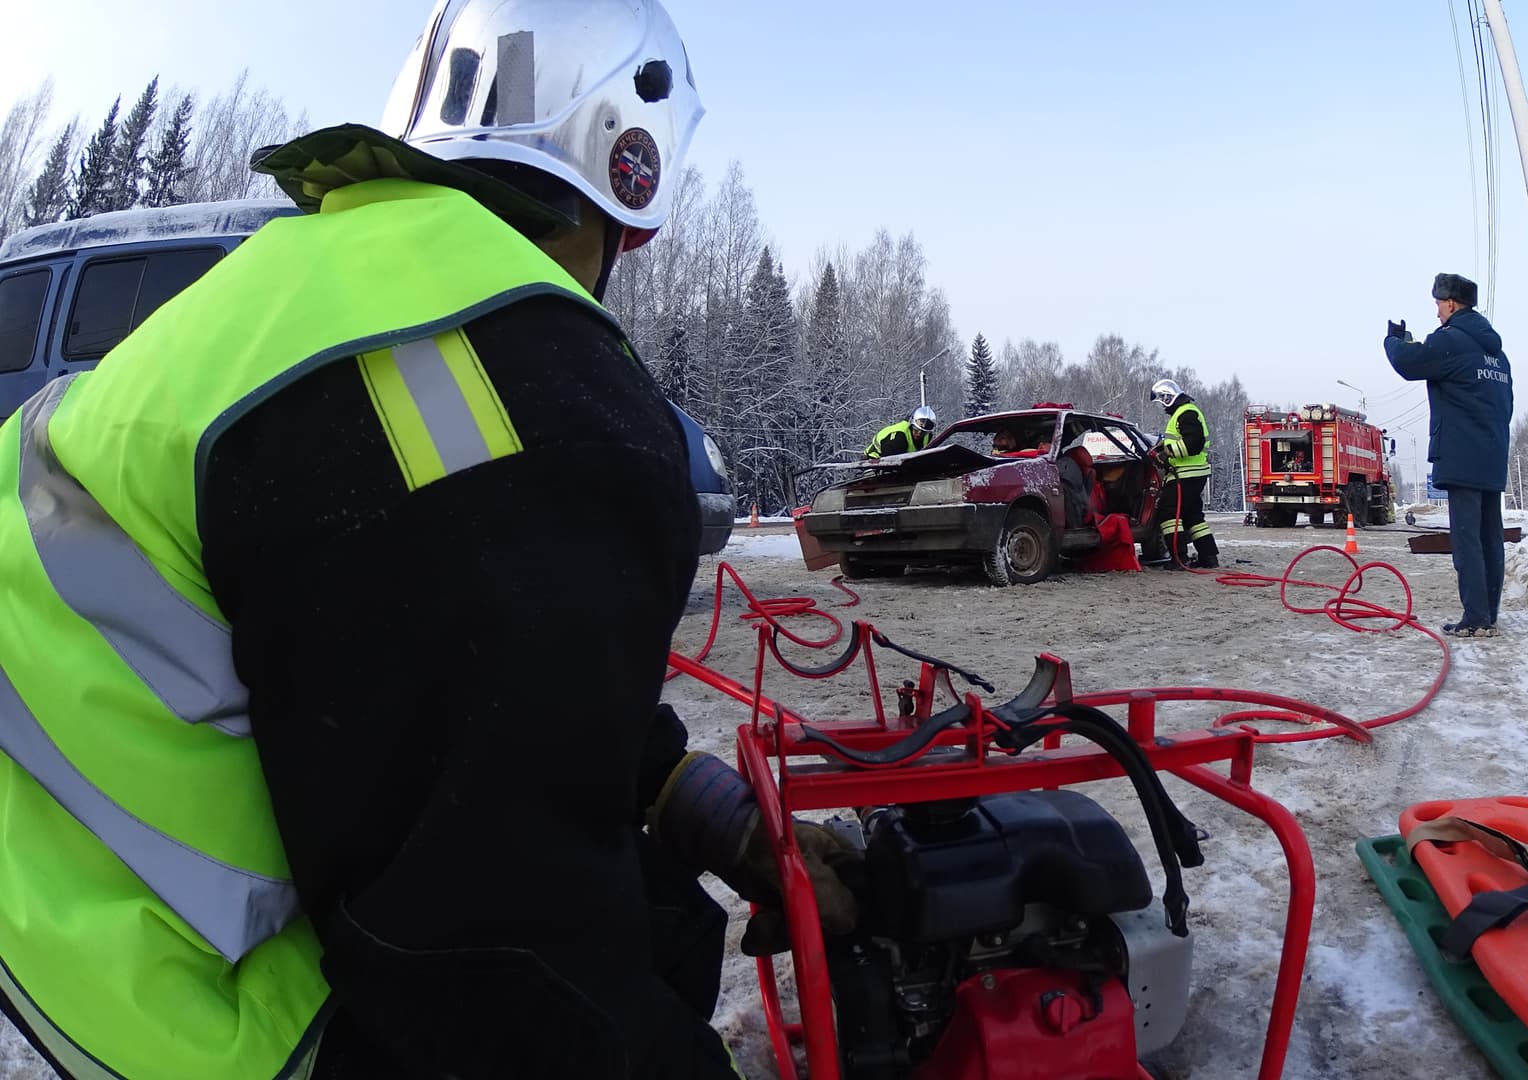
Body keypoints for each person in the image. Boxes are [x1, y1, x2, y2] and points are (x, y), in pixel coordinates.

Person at [0, 3, 856, 1078]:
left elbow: (467, 655)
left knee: (660, 923)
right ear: (625, 183)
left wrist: (691, 800)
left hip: (58, 860)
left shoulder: (302, 287)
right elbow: (490, 963)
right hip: (181, 986)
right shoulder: (551, 400)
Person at [1384, 272, 1514, 638]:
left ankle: (1474, 617)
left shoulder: (1452, 341)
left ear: (1452, 304)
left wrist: (1394, 340)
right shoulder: (1497, 355)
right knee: (1490, 536)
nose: (1437, 313)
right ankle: (1488, 613)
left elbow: (1410, 363)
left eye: (1439, 305)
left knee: (1467, 538)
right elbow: (1508, 405)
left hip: (1461, 455)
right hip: (1491, 455)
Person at [1149, 378, 1219, 568]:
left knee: (1168, 513)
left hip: (1186, 474)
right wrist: (1162, 446)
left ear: (1167, 397)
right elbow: (1185, 439)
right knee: (1192, 515)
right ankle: (1209, 556)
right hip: (1194, 474)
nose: (1163, 407)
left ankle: (1178, 558)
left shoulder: (1185, 413)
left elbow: (1193, 443)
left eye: (1162, 401)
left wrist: (1166, 453)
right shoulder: (1186, 413)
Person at [865, 405, 938, 457]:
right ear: (911, 424)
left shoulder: (927, 436)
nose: (919, 434)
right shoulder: (899, 436)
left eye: (923, 433)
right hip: (874, 461)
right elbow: (889, 461)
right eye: (916, 430)